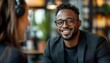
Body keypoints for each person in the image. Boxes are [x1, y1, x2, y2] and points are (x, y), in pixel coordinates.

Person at [41, 3, 110, 63]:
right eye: (60, 22)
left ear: (79, 23)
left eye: (70, 21)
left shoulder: (97, 43)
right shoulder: (51, 45)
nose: (65, 25)